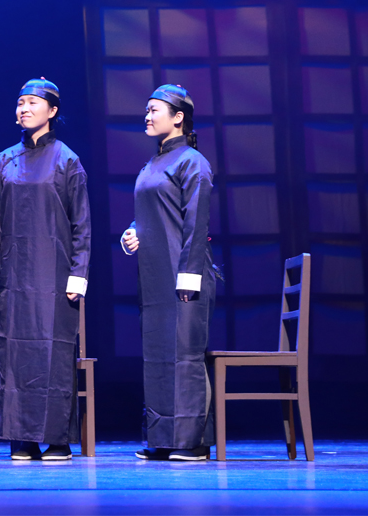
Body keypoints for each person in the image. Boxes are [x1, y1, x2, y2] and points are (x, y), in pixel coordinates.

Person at [0, 78, 91, 462]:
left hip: (55, 274)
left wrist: (79, 273)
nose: (23, 109)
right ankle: (21, 437)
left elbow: (81, 223)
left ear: (52, 111)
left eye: (32, 102)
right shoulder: (6, 159)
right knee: (15, 351)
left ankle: (57, 438)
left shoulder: (67, 160)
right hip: (15, 274)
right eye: (20, 102)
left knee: (52, 352)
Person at [120, 84, 216, 462]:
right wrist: (133, 231)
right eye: (146, 109)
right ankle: (162, 438)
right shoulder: (152, 164)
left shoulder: (192, 161)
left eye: (154, 109)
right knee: (158, 355)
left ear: (178, 118)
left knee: (184, 356)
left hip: (184, 273)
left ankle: (192, 442)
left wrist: (189, 275)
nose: (147, 115)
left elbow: (196, 221)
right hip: (155, 274)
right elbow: (155, 213)